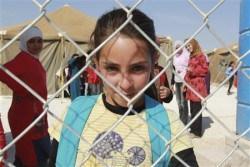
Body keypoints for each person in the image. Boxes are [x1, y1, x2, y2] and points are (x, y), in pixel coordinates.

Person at [48, 8, 198, 166]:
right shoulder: (74, 114)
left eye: (137, 68)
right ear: (96, 64)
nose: (125, 84)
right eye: (112, 69)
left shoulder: (168, 125)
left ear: (154, 60)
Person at [0, 26, 51, 166]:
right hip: (24, 117)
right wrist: (22, 90)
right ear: (24, 43)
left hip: (35, 115)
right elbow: (2, 72)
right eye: (31, 41)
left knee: (31, 153)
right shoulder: (23, 59)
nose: (36, 45)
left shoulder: (33, 59)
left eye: (39, 41)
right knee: (31, 156)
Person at [184, 38, 209, 138]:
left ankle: (197, 132)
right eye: (186, 46)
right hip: (191, 86)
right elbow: (188, 72)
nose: (188, 48)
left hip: (198, 86)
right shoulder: (191, 56)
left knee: (196, 109)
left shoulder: (201, 56)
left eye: (189, 45)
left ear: (194, 44)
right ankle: (193, 129)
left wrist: (193, 70)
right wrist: (184, 83)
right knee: (192, 109)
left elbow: (205, 70)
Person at [171, 40, 190, 125]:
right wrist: (172, 83)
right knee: (178, 101)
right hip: (177, 81)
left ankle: (184, 120)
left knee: (184, 101)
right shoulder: (174, 57)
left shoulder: (187, 56)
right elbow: (173, 70)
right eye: (176, 47)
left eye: (179, 47)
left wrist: (186, 83)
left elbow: (189, 70)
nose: (178, 49)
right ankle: (181, 116)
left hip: (184, 81)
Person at [152, 38, 173, 103]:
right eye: (153, 51)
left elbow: (168, 99)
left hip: (158, 108)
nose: (157, 53)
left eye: (158, 50)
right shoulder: (138, 70)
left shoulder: (161, 70)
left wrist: (168, 93)